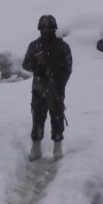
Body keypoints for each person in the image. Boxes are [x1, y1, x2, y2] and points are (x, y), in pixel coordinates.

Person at [21, 14, 72, 161]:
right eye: (44, 27)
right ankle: (36, 147)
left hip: (56, 88)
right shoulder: (34, 46)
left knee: (57, 117)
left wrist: (60, 83)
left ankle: (57, 147)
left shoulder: (62, 46)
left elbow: (68, 68)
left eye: (49, 27)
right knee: (38, 117)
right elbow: (25, 64)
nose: (47, 29)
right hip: (39, 88)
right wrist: (37, 67)